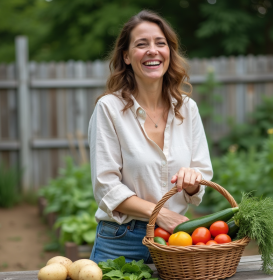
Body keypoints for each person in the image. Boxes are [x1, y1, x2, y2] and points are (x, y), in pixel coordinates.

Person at [88, 10, 213, 264]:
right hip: (121, 240)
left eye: (160, 43)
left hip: (176, 240)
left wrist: (192, 181)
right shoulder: (109, 109)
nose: (152, 51)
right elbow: (106, 186)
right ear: (126, 56)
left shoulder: (187, 109)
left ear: (169, 52)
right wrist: (160, 214)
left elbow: (201, 176)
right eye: (141, 44)